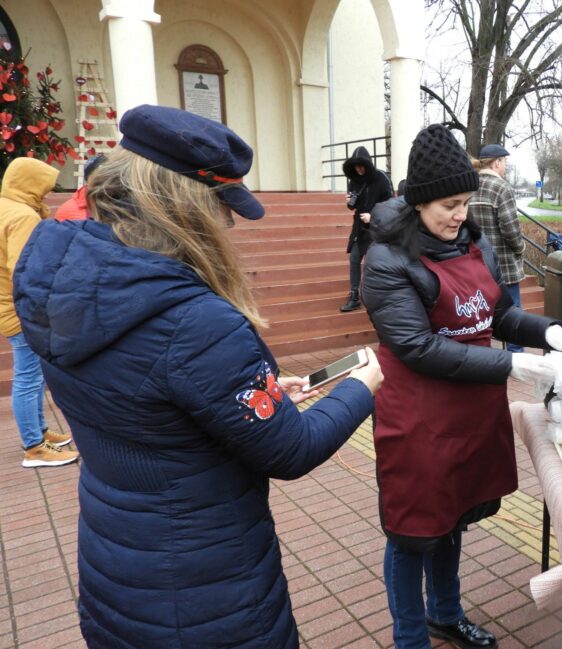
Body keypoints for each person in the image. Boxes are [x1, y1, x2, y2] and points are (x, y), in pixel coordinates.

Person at [12, 104, 384, 648]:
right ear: (182, 207)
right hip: (206, 591)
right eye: (221, 206)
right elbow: (292, 449)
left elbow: (147, 396)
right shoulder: (194, 321)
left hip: (117, 564)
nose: (228, 223)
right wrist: (361, 385)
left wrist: (240, 391)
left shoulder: (60, 279)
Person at [361, 124, 562, 649]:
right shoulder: (387, 260)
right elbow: (417, 347)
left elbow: (498, 315)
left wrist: (549, 332)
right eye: (448, 205)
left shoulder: (470, 243)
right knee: (414, 532)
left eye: (465, 202)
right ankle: (410, 637)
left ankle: (445, 613)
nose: (460, 214)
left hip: (470, 409)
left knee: (453, 518)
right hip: (418, 414)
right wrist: (512, 369)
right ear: (417, 202)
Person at [1, 157, 79, 467]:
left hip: (8, 304)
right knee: (29, 377)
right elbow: (27, 268)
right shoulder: (21, 216)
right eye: (43, 189)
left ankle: (41, 432)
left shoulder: (6, 206)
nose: (46, 196)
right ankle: (34, 447)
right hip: (20, 309)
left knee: (30, 375)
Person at [469, 143, 526, 353]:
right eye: (504, 163)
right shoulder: (502, 188)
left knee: (481, 314)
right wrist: (520, 249)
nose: (505, 168)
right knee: (512, 313)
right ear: (497, 162)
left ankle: (484, 355)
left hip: (476, 264)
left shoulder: (471, 185)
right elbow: (511, 230)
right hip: (504, 264)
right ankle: (515, 355)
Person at [340, 145, 392, 312]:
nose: (359, 169)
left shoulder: (381, 178)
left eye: (361, 166)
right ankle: (354, 296)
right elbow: (352, 207)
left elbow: (392, 205)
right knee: (354, 259)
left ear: (368, 164)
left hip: (378, 227)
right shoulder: (354, 180)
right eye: (356, 166)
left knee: (374, 263)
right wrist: (349, 202)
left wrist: (374, 216)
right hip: (359, 227)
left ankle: (377, 296)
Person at [54, 154, 105, 221]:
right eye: (97, 178)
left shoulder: (120, 206)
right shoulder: (68, 210)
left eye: (108, 176)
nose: (104, 182)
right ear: (87, 180)